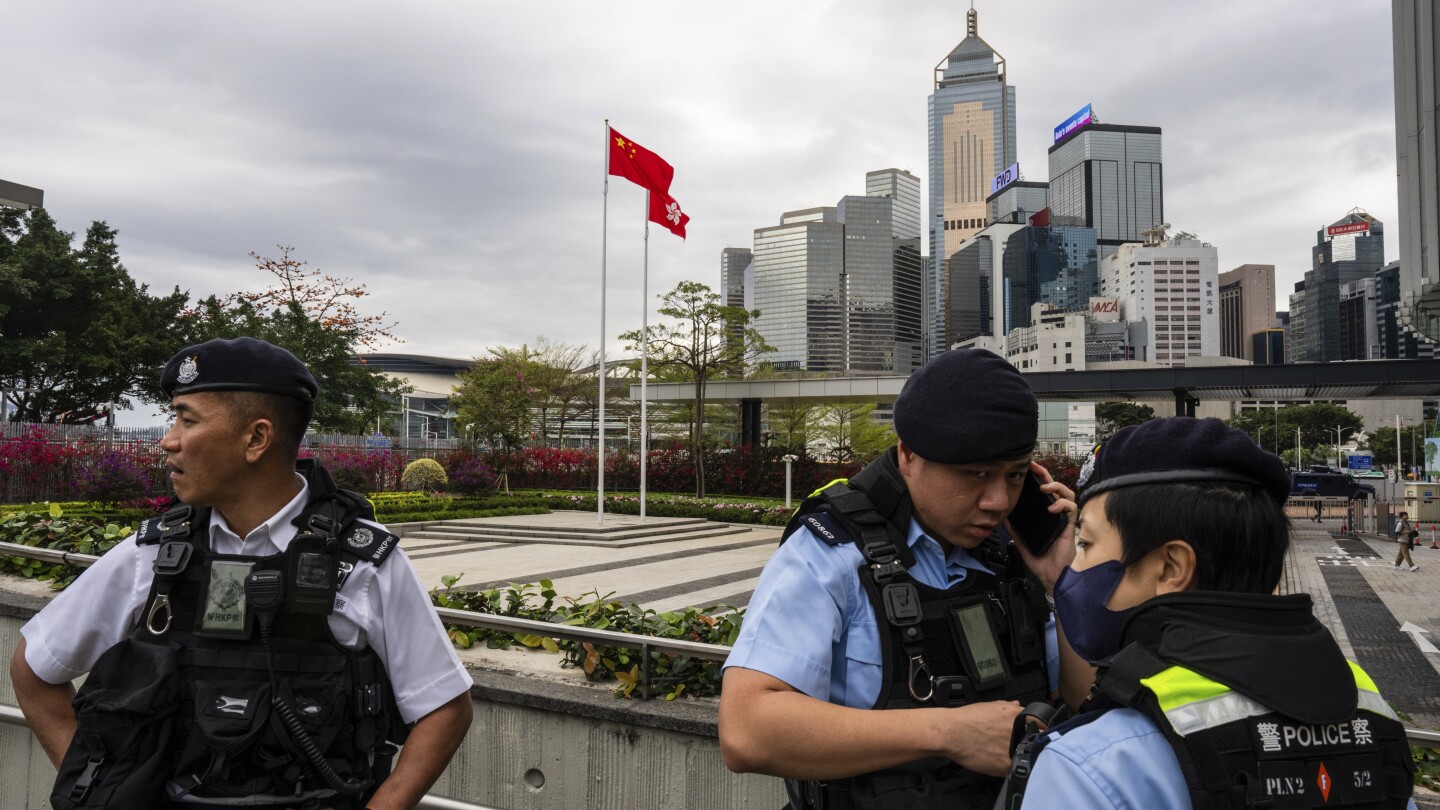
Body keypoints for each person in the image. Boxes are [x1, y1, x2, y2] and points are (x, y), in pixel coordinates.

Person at [9, 337, 474, 810]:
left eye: (187, 419)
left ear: (256, 438)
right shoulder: (153, 553)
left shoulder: (361, 561)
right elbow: (35, 667)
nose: (168, 439)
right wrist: (105, 794)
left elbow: (445, 707)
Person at [718, 348, 1083, 809]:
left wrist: (1064, 582)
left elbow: (1083, 699)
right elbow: (746, 730)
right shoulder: (831, 554)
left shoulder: (1016, 559)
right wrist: (949, 733)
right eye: (975, 474)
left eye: (1014, 477)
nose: (997, 500)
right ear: (908, 455)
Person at [1003, 417, 1417, 809]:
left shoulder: (1089, 767)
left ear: (1171, 568)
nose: (1076, 566)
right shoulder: (1371, 712)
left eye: (1087, 544)